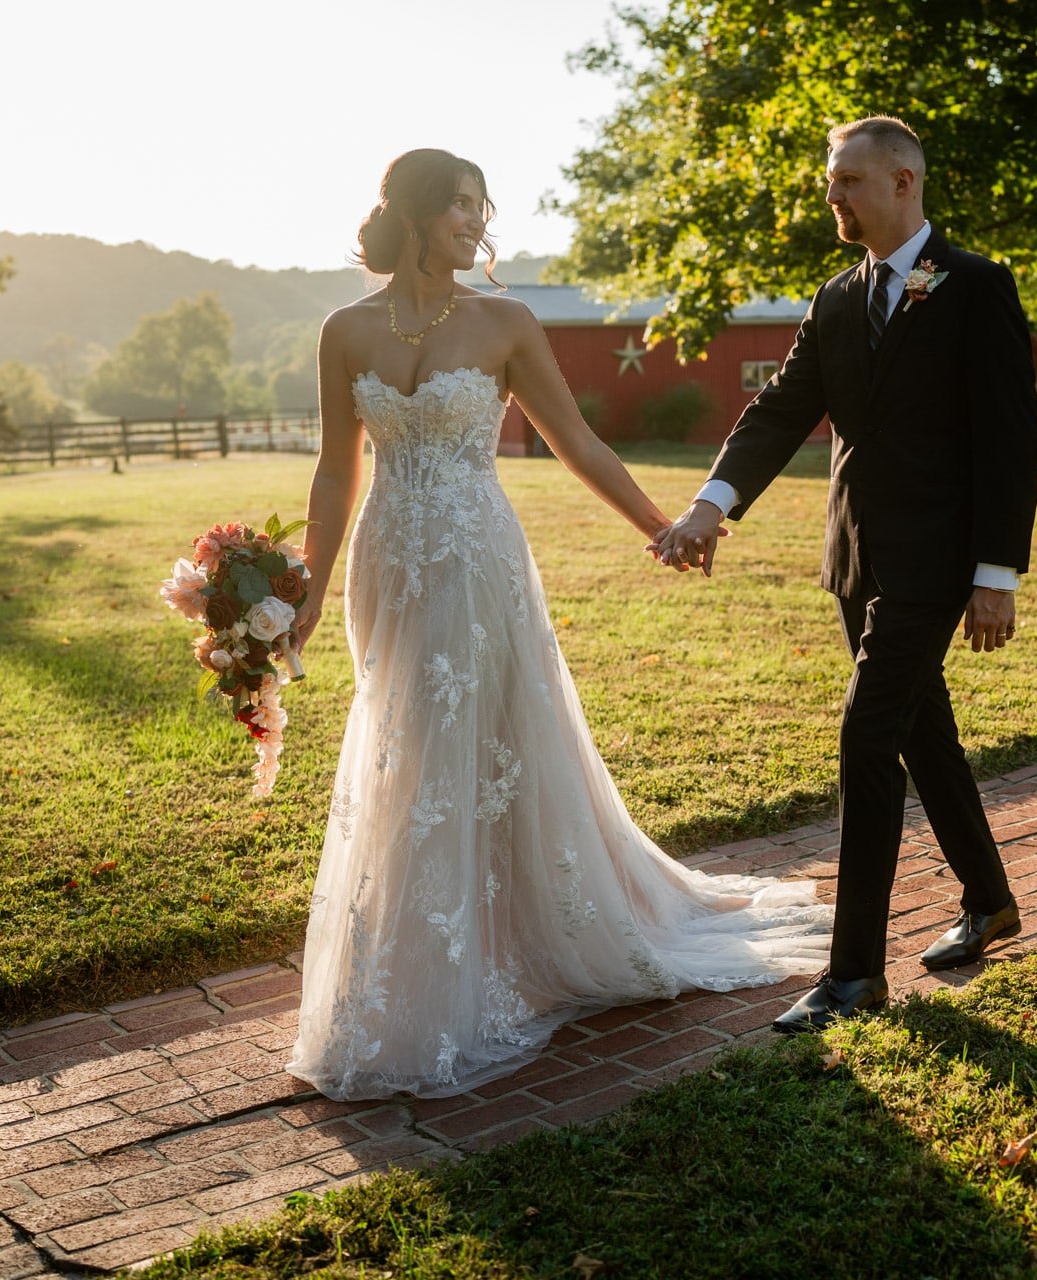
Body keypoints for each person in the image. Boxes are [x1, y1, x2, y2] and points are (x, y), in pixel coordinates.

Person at [283, 149, 830, 1100]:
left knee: (480, 743)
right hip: (390, 563)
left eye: (478, 208)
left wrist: (661, 526)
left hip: (479, 558)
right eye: (458, 206)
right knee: (406, 750)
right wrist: (310, 587)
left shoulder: (505, 321)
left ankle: (503, 949)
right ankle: (422, 957)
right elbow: (338, 469)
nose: (475, 223)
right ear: (414, 212)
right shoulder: (344, 330)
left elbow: (577, 441)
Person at [653, 116, 1037, 1034]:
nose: (833, 196)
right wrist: (710, 506)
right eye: (832, 181)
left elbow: (1009, 439)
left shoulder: (977, 286)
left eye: (849, 182)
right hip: (855, 558)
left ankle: (855, 976)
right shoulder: (835, 297)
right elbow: (781, 411)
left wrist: (996, 573)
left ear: (903, 182)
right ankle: (989, 902)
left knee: (867, 741)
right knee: (921, 735)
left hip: (939, 563)